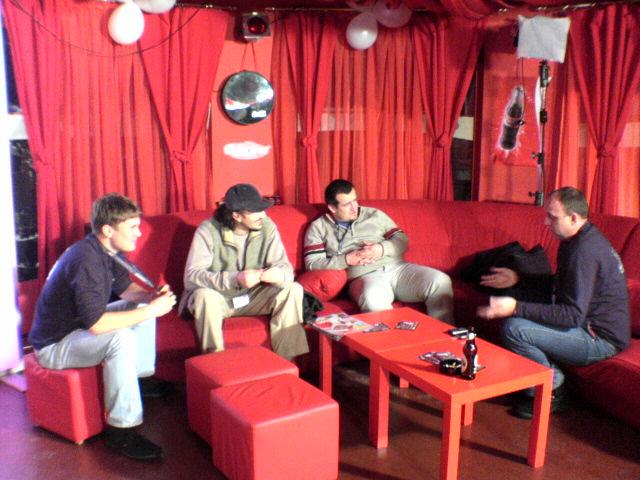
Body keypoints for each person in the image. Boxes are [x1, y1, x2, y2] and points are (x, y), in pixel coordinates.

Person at [29, 194, 177, 460]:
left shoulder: (107, 250)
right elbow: (97, 325)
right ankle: (121, 431)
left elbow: (126, 290)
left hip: (78, 328)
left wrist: (150, 297)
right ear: (108, 230)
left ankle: (141, 379)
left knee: (141, 307)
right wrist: (154, 310)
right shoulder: (86, 260)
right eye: (133, 227)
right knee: (121, 338)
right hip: (55, 345)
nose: (139, 232)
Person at [477, 187, 630, 418]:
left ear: (573, 218)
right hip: (587, 325)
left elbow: (572, 315)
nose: (546, 222)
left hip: (600, 340)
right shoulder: (578, 239)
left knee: (515, 328)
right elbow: (561, 285)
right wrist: (518, 279)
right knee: (517, 304)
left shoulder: (583, 252)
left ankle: (553, 388)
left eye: (552, 217)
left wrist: (516, 307)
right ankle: (535, 379)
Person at [180, 183, 309, 360]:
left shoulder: (267, 226)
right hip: (220, 299)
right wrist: (235, 278)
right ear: (236, 215)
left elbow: (285, 269)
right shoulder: (208, 230)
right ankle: (215, 365)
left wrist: (278, 275)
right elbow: (191, 277)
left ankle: (287, 365)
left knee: (293, 289)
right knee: (204, 296)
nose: (263, 215)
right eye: (256, 211)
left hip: (252, 296)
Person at [303, 179, 454, 324]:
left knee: (440, 281)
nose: (354, 207)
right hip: (364, 277)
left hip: (398, 269)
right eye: (347, 204)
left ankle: (444, 337)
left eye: (355, 200)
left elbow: (402, 239)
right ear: (332, 208)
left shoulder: (374, 214)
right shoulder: (318, 227)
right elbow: (312, 263)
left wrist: (380, 249)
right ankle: (396, 342)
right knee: (373, 300)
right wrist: (347, 259)